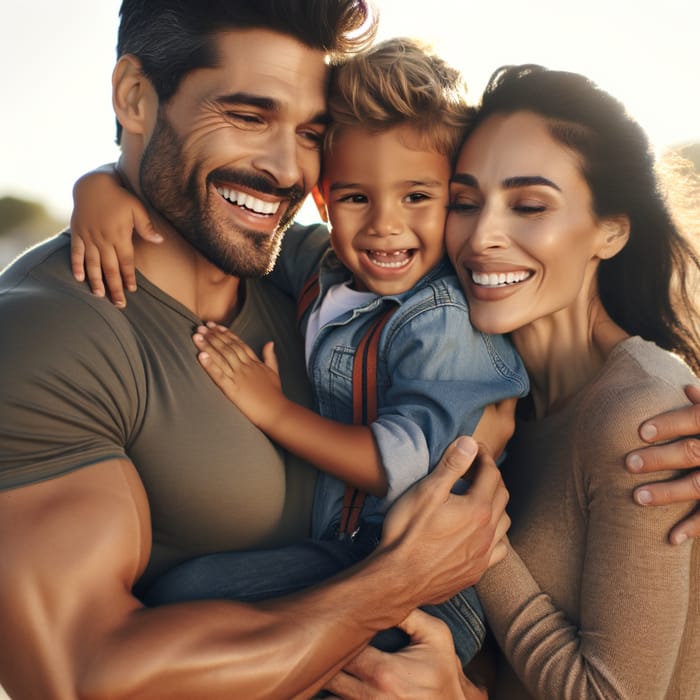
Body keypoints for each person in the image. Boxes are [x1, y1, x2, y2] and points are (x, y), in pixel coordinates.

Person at [0, 3, 514, 698]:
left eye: (310, 132)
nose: (285, 170)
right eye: (248, 117)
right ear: (134, 98)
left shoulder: (310, 271)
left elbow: (550, 318)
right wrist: (400, 581)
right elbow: (82, 679)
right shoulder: (49, 338)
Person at [442, 64, 700, 698]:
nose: (482, 236)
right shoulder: (499, 398)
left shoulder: (640, 415)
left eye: (529, 205)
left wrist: (482, 541)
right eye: (464, 202)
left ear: (610, 232)